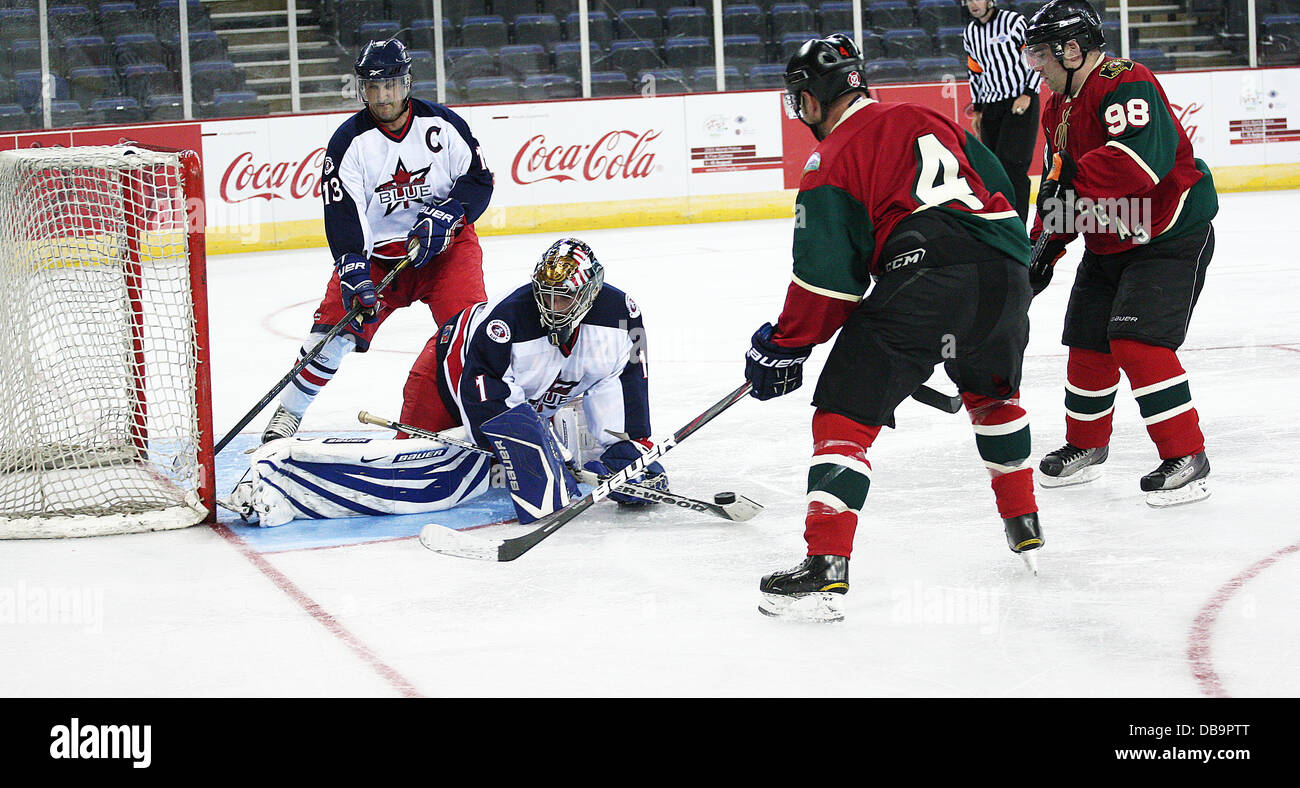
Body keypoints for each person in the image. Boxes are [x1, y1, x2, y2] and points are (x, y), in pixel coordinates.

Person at [745, 34, 1042, 623]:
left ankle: (826, 566)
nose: (799, 110)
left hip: (928, 279)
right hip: (1007, 273)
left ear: (811, 97)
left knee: (843, 413)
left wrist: (785, 345)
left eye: (799, 97)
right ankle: (1023, 522)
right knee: (992, 392)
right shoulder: (923, 116)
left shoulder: (829, 159)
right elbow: (1003, 183)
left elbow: (827, 281)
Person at [231, 238, 669, 528]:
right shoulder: (508, 323)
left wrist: (628, 447)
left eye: (564, 297)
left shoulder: (620, 315)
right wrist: (539, 456)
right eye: (545, 294)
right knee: (414, 469)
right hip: (444, 373)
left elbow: (625, 377)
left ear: (590, 293)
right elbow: (487, 401)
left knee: (581, 458)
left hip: (532, 397)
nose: (551, 306)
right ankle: (280, 475)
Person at [1023, 0, 1217, 507]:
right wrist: (1042, 247)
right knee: (1088, 343)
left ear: (1071, 49)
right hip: (1109, 238)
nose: (1035, 65)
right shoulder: (1055, 108)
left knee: (1137, 342)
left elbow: (1137, 164)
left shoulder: (1124, 81)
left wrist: (1068, 190)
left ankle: (1187, 456)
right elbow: (1056, 188)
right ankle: (1087, 446)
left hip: (1168, 236)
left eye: (1041, 53)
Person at [260, 37, 494, 444]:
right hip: (380, 259)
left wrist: (452, 211)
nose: (383, 96)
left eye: (391, 85)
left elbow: (478, 180)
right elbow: (342, 211)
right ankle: (289, 413)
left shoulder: (443, 125)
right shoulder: (348, 142)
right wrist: (352, 265)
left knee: (468, 333)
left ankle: (485, 417)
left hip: (445, 252)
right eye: (373, 87)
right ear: (361, 89)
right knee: (331, 335)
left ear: (407, 83)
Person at [963, 0, 1042, 223]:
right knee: (993, 168)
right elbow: (975, 72)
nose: (973, 4)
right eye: (968, 0)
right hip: (990, 107)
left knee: (1012, 165)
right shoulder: (970, 32)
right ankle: (1002, 223)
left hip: (1019, 102)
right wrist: (977, 110)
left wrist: (1028, 92)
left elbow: (1035, 56)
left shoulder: (1014, 22)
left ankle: (1019, 225)